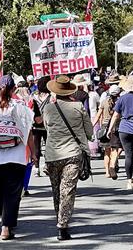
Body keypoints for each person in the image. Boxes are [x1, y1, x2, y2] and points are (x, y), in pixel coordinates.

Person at [0, 75, 35, 240]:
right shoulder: (20, 105)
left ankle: (4, 220)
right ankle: (6, 226)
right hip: (17, 155)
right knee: (13, 193)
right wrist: (32, 152)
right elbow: (29, 132)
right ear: (14, 90)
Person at [43, 75, 92, 241]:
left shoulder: (48, 108)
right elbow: (90, 132)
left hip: (52, 155)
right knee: (68, 191)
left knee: (56, 190)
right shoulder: (78, 106)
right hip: (72, 153)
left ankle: (60, 218)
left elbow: (47, 128)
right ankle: (62, 225)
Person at [93, 84, 122, 179]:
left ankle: (107, 172)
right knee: (114, 149)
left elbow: (98, 115)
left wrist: (92, 126)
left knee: (106, 151)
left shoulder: (104, 102)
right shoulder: (119, 102)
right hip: (115, 127)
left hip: (104, 127)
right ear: (118, 94)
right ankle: (112, 166)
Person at [31, 76, 51, 177]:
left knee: (36, 147)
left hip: (35, 125)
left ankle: (36, 167)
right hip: (48, 125)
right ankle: (47, 165)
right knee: (49, 146)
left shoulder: (33, 96)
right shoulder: (51, 97)